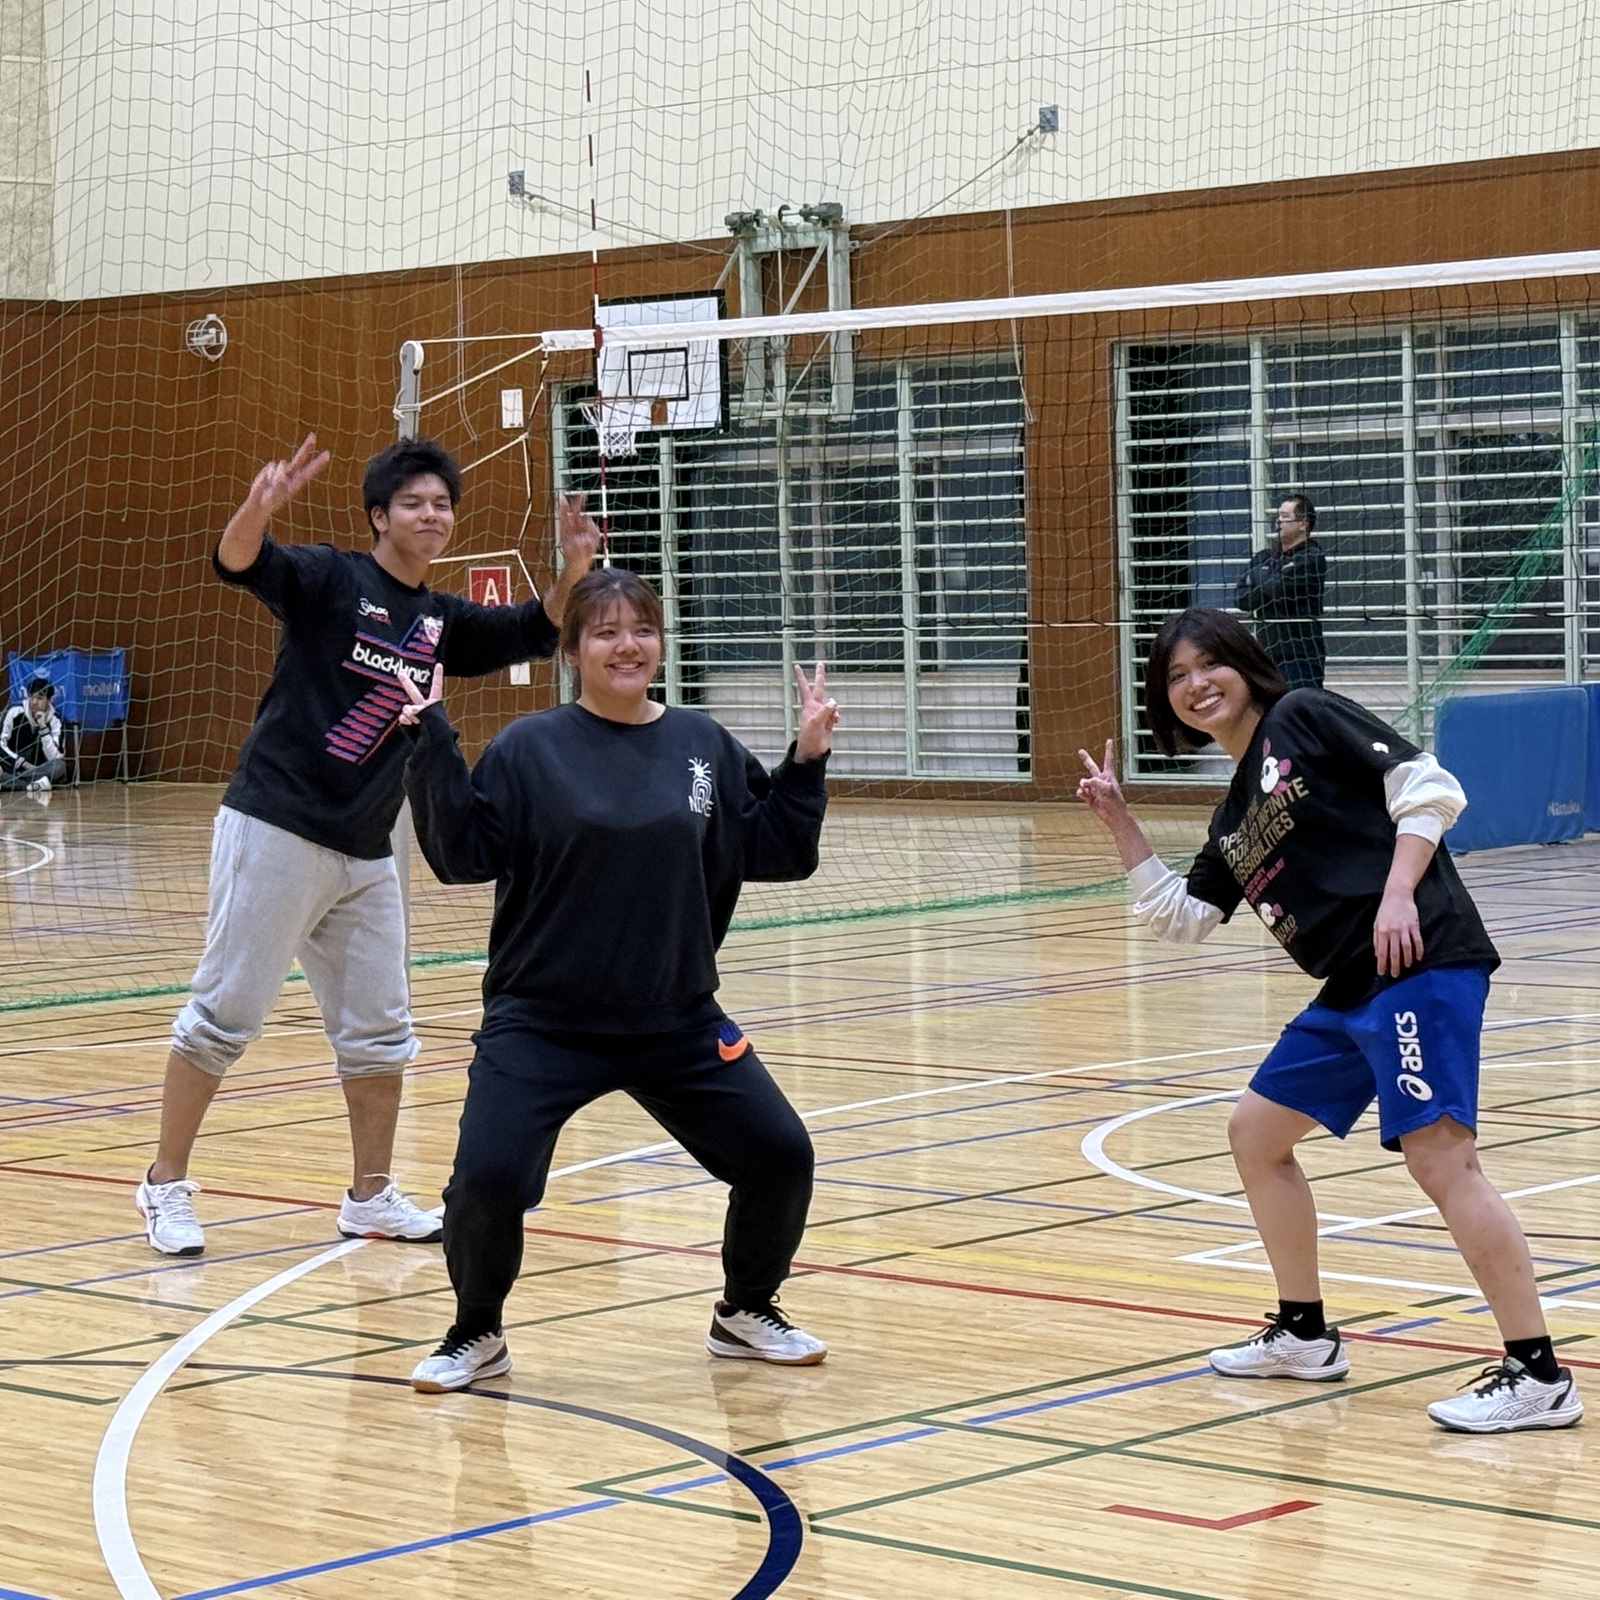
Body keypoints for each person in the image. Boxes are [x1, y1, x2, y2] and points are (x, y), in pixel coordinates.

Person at [1075, 606, 1582, 1434]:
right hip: (1348, 987)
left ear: (1243, 664)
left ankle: (1539, 1373)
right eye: (1175, 677)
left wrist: (1395, 895)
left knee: (1442, 1161)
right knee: (1255, 1133)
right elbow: (1184, 916)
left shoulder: (1301, 716)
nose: (1196, 685)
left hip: (1418, 962)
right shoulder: (1234, 815)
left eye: (1208, 665)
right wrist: (1120, 824)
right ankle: (1305, 1333)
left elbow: (1428, 787)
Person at [134, 434, 600, 1257]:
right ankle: (163, 1184)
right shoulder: (330, 579)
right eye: (415, 502)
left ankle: (371, 1194)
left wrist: (572, 565)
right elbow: (239, 561)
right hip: (276, 824)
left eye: (443, 504)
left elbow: (539, 625)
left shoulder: (440, 620)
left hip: (369, 848)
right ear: (379, 516)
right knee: (224, 1017)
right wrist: (259, 505)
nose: (433, 515)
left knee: (381, 1031)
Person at [398, 566, 837, 1392]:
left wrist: (805, 759)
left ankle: (745, 1312)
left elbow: (778, 847)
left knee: (781, 1155)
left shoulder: (702, 744)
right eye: (604, 631)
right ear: (573, 652)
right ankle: (475, 1331)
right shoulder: (530, 748)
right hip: (542, 1022)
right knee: (485, 1180)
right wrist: (432, 744)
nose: (626, 644)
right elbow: (462, 855)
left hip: (675, 1020)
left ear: (661, 643)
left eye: (641, 629)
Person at [1234, 494, 1327, 689]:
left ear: (1303, 523)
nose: (1279, 521)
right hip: (1266, 654)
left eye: (1285, 516)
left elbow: (1278, 589)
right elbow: (1241, 598)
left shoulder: (1312, 558)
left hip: (1300, 656)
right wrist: (1270, 582)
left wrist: (1257, 577)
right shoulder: (1264, 558)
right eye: (1278, 516)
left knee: (1299, 713)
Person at [1, 677, 70, 792]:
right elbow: (0, 744)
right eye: (31, 697)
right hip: (10, 764)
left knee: (59, 766)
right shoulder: (14, 711)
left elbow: (55, 757)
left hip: (38, 769)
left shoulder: (56, 720)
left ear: (49, 700)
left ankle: (11, 783)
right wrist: (22, 763)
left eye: (39, 698)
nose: (34, 702)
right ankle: (31, 786)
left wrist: (43, 728)